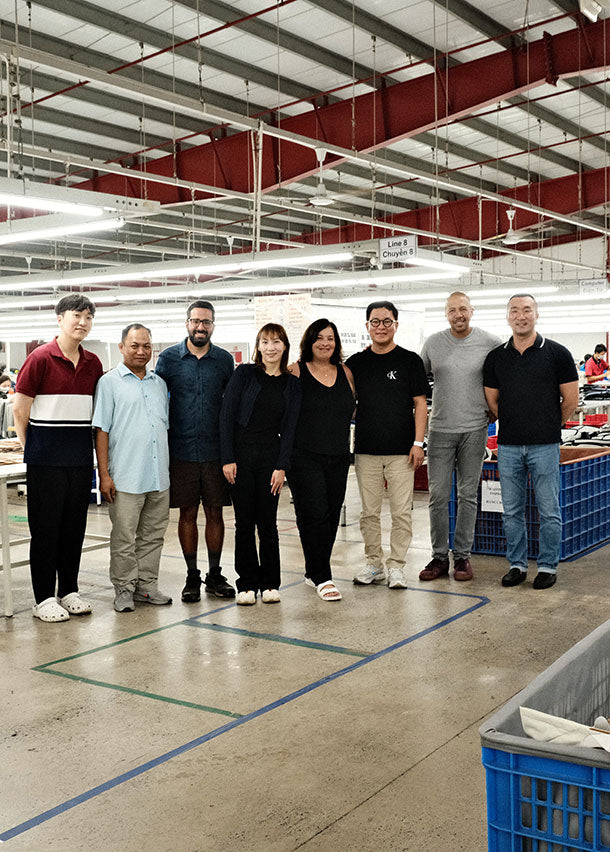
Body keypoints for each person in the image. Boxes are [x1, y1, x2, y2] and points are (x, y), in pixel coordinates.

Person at [13, 294, 103, 622]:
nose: (83, 322)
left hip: (80, 461)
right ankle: (42, 598)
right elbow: (20, 408)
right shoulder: (39, 358)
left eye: (89, 317)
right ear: (60, 318)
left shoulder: (93, 363)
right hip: (46, 462)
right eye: (77, 315)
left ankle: (68, 590)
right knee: (46, 529)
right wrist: (33, 448)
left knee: (73, 528)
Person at [483, 294, 579, 589]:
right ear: (508, 316)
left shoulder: (557, 353)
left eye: (527, 310)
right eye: (515, 310)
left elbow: (571, 399)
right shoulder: (496, 357)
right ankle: (517, 564)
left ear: (536, 314)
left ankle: (548, 566)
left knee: (549, 509)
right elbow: (492, 400)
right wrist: (514, 422)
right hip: (509, 446)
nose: (521, 316)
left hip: (545, 446)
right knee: (512, 510)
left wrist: (549, 425)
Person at [155, 300, 235, 603]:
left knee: (216, 512)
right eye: (195, 321)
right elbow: (157, 400)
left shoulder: (224, 360)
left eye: (206, 322)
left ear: (213, 325)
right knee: (187, 513)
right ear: (187, 323)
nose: (200, 327)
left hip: (216, 451)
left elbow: (231, 405)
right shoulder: (168, 359)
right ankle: (192, 576)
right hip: (181, 450)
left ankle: (215, 574)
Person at [346, 301, 429, 590]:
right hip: (367, 451)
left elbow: (420, 404)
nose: (381, 326)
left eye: (386, 321)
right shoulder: (355, 363)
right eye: (375, 321)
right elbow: (345, 401)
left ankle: (397, 566)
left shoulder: (410, 361)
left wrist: (419, 443)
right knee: (368, 512)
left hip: (401, 452)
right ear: (367, 326)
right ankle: (373, 564)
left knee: (400, 512)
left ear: (396, 324)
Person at [419, 292, 501, 582]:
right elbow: (417, 382)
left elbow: (504, 376)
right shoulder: (432, 343)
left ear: (472, 311)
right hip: (439, 430)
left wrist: (495, 411)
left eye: (463, 309)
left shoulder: (491, 342)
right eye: (452, 310)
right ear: (446, 313)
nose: (458, 314)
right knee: (438, 496)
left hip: (474, 430)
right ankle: (439, 557)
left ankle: (463, 557)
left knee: (468, 495)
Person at [93, 324, 172, 613]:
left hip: (158, 475)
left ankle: (147, 587)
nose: (142, 351)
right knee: (124, 537)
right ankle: (124, 589)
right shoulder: (109, 383)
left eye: (147, 346)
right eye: (135, 345)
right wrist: (104, 474)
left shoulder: (159, 383)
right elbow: (101, 430)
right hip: (125, 476)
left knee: (153, 535)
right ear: (121, 347)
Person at [220, 323, 301, 605]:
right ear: (258, 346)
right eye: (265, 342)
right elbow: (227, 416)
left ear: (284, 346)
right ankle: (246, 583)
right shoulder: (244, 374)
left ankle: (269, 583)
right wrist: (227, 458)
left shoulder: (292, 384)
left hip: (270, 457)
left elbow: (290, 429)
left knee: (268, 523)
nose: (271, 347)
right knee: (244, 523)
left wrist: (282, 466)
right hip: (240, 457)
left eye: (276, 342)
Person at [288, 319, 355, 602]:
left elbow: (352, 409)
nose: (325, 343)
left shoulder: (345, 372)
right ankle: (324, 576)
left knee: (328, 515)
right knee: (314, 514)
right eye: (319, 338)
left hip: (338, 455)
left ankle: (312, 571)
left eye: (330, 338)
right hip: (303, 455)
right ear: (309, 342)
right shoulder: (296, 371)